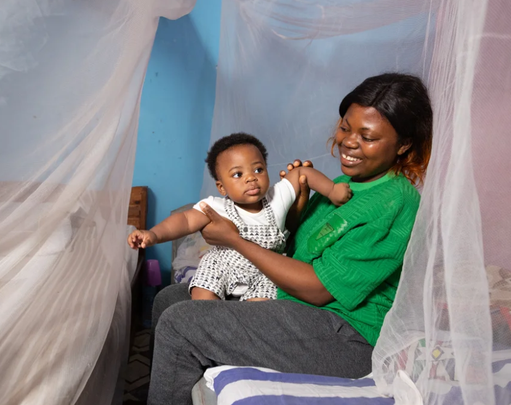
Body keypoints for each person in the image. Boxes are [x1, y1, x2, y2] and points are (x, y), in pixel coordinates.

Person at [147, 73, 432, 405]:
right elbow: (296, 250)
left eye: (367, 137)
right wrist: (297, 209)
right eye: (345, 128)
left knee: (181, 323)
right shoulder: (344, 185)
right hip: (293, 303)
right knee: (169, 299)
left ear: (404, 144)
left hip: (346, 336)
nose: (348, 143)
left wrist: (235, 240)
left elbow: (319, 289)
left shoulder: (394, 202)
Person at [128, 132, 351, 301]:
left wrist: (332, 190)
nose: (251, 178)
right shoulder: (216, 207)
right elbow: (185, 220)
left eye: (258, 170)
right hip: (224, 266)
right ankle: (206, 324)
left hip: (265, 271)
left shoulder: (277, 197)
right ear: (221, 187)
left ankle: (239, 330)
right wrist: (153, 234)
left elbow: (301, 172)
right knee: (202, 294)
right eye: (238, 174)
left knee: (260, 310)